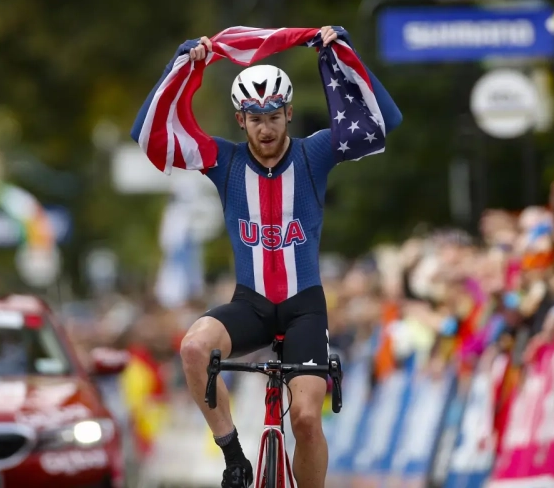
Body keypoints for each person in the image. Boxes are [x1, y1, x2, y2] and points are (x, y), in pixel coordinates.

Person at [131, 26, 402, 488]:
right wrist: (184, 65)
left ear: (288, 113)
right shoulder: (224, 161)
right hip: (250, 304)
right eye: (255, 118)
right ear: (240, 120)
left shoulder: (314, 152)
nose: (266, 127)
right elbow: (149, 134)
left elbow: (383, 121)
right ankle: (235, 456)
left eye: (274, 115)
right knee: (195, 347)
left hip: (304, 307)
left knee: (305, 421)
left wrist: (340, 54)